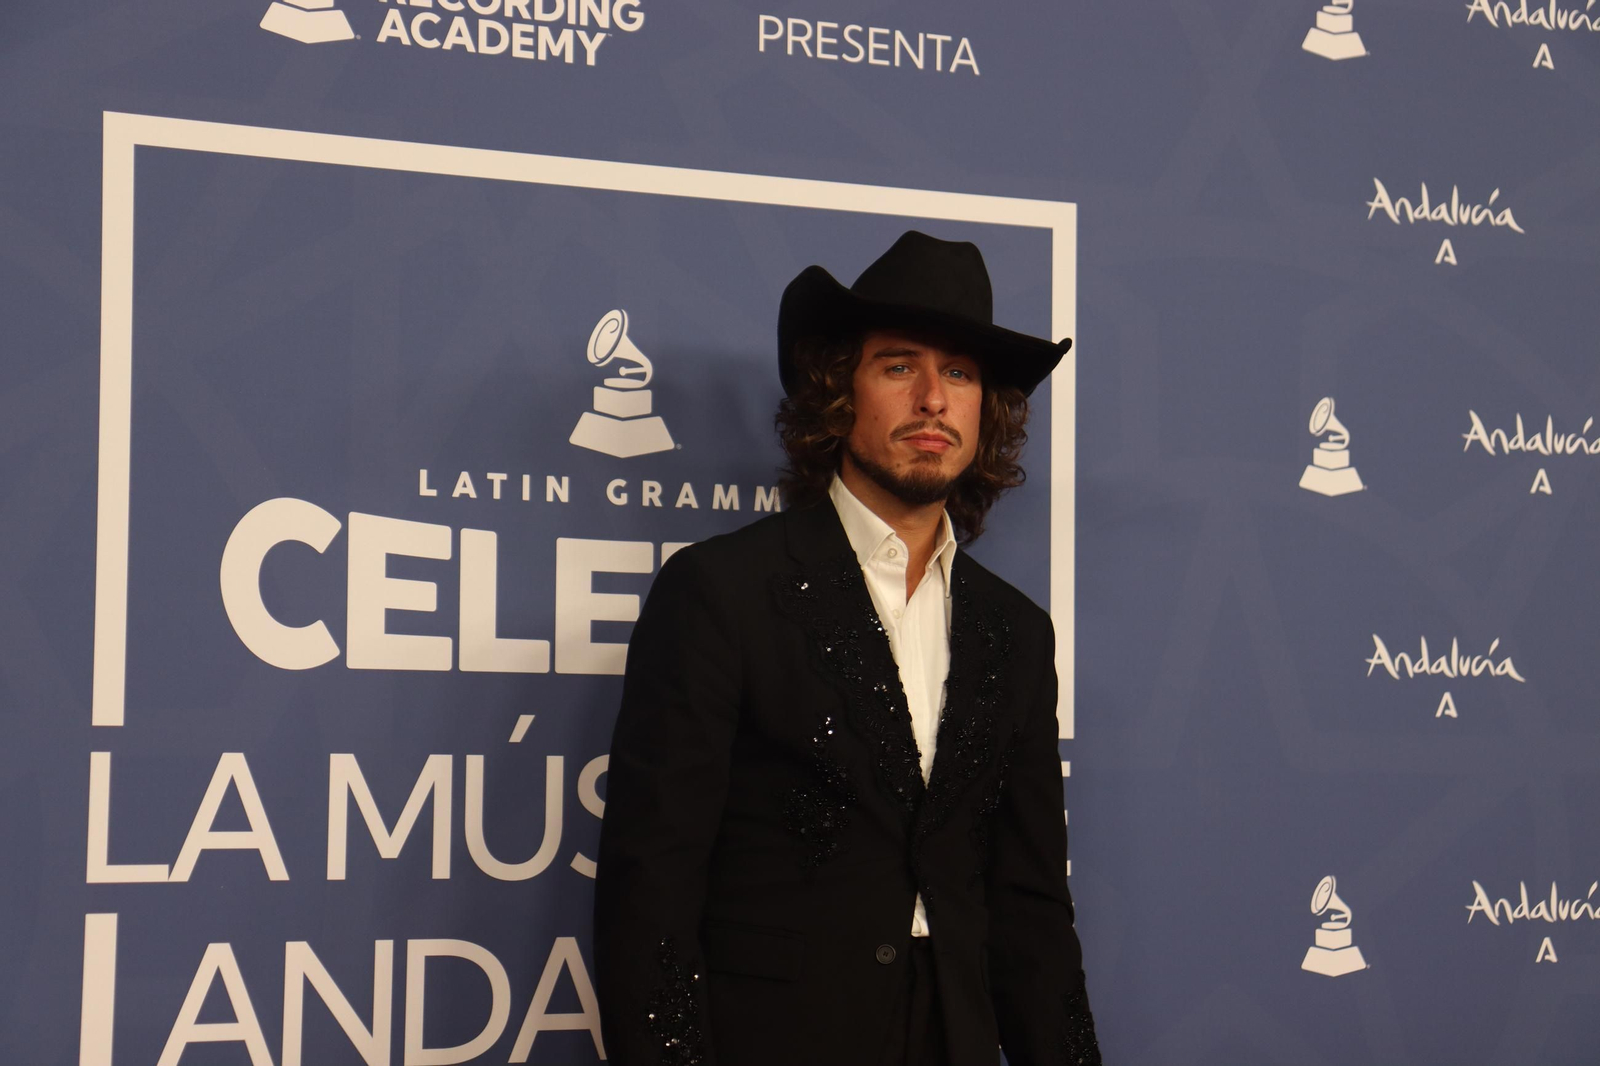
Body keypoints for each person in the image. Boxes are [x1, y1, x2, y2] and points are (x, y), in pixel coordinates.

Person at [593, 231, 1100, 1066]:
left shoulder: (1015, 632)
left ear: (987, 413)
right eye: (900, 366)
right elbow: (652, 891)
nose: (935, 399)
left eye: (962, 374)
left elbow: (1032, 906)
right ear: (838, 393)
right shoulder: (723, 591)